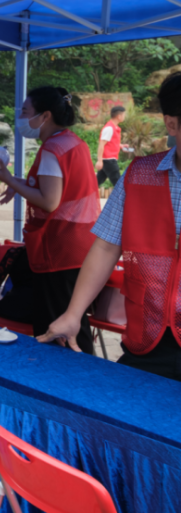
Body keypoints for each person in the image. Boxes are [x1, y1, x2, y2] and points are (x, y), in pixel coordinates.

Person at [40, 74, 181, 379]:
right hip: (147, 339)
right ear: (172, 125)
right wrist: (73, 313)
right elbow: (105, 246)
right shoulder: (139, 175)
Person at [0, 86, 99, 353]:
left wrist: (6, 178)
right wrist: (16, 184)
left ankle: (69, 383)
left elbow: (49, 201)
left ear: (45, 115)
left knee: (58, 324)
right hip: (79, 243)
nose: (21, 117)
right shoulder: (72, 142)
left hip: (59, 246)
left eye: (25, 111)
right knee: (72, 318)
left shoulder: (53, 148)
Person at [96, 105, 127, 187]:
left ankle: (82, 196)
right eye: (124, 115)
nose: (124, 117)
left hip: (108, 160)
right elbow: (101, 144)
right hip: (109, 160)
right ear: (119, 116)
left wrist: (121, 146)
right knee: (118, 183)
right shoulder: (109, 128)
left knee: (96, 182)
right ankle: (125, 199)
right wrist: (99, 161)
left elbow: (110, 142)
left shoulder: (114, 127)